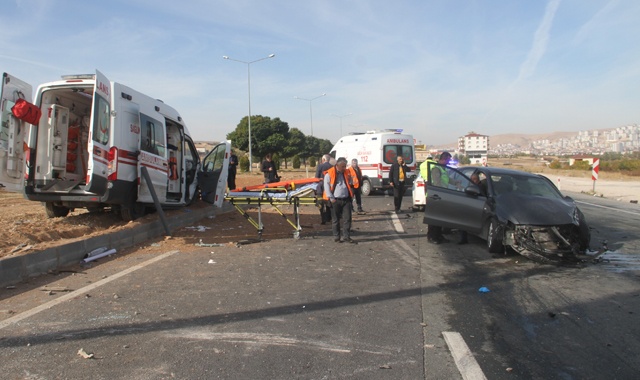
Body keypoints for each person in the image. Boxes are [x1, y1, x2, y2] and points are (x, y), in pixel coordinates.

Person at [323, 157, 356, 244]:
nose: (344, 168)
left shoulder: (346, 172)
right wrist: (331, 198)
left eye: (345, 166)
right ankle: (337, 237)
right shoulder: (329, 174)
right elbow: (326, 187)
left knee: (347, 218)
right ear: (337, 165)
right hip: (335, 200)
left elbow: (351, 183)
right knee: (335, 220)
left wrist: (351, 186)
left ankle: (346, 236)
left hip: (346, 199)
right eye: (342, 166)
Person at [425, 151, 453, 244]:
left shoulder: (443, 169)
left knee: (440, 218)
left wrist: (457, 183)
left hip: (441, 195)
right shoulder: (436, 169)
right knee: (434, 218)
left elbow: (447, 180)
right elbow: (437, 183)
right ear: (443, 159)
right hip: (436, 196)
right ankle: (432, 237)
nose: (449, 162)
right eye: (448, 160)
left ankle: (438, 235)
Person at [458, 173, 481, 245]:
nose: (473, 181)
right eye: (471, 179)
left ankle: (464, 238)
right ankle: (463, 238)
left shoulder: (480, 187)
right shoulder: (470, 186)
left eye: (475, 179)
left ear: (478, 180)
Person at [315, 154, 333, 224]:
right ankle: (329, 218)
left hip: (321, 187)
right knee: (328, 203)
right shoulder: (332, 167)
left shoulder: (320, 166)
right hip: (329, 187)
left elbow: (316, 177)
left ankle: (323, 219)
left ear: (324, 160)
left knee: (321, 204)